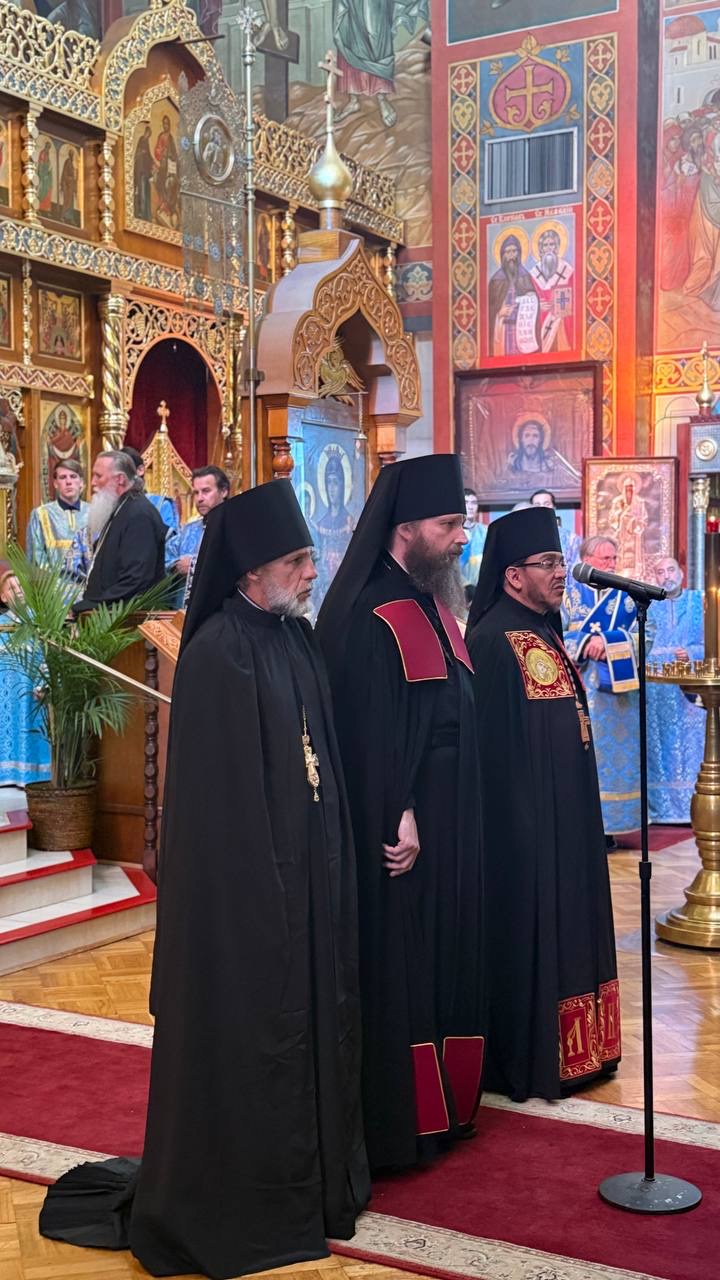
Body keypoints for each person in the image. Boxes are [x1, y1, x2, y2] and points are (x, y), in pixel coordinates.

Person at [40, 480, 370, 1279]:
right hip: (250, 900)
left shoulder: (295, 641)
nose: (310, 573)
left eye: (308, 558)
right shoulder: (220, 653)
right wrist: (268, 894)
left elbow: (318, 765)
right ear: (251, 570)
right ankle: (249, 1198)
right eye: (295, 562)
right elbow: (219, 812)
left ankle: (317, 1185)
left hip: (311, 884)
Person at [316, 453, 485, 1172]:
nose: (461, 538)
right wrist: (402, 809)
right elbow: (367, 736)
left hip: (454, 820)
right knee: (406, 965)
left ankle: (448, 1104)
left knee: (448, 956)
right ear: (406, 527)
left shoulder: (432, 602)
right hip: (406, 832)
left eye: (462, 524)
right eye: (448, 525)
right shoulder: (370, 614)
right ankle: (404, 1121)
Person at [467, 506, 620, 1101]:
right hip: (528, 834)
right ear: (513, 576)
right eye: (548, 563)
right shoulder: (492, 640)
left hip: (570, 821)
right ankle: (538, 1056)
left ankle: (586, 1050)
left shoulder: (545, 631)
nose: (561, 573)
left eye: (561, 561)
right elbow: (490, 756)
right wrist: (523, 832)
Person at [562, 535, 643, 841]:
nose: (611, 564)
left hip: (616, 699)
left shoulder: (628, 596)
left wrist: (608, 642)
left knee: (612, 762)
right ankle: (579, 829)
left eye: (614, 558)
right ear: (587, 561)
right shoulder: (567, 593)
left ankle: (610, 829)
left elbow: (647, 636)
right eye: (605, 559)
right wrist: (585, 643)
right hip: (578, 688)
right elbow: (551, 631)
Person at [71, 452, 166, 616]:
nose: (92, 482)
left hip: (126, 617)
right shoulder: (121, 508)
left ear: (120, 479)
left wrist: (92, 605)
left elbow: (135, 578)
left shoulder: (139, 514)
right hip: (107, 614)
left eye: (98, 476)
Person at [647, 556, 705, 824]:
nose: (666, 576)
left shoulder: (699, 601)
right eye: (660, 572)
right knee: (659, 745)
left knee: (691, 745)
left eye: (670, 570)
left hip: (689, 685)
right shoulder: (648, 604)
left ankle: (693, 806)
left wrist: (692, 653)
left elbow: (712, 641)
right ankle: (660, 809)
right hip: (655, 687)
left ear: (681, 572)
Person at [0, 564, 52, 787]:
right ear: (3, 597)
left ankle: (32, 776)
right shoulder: (1, 625)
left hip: (31, 691)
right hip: (5, 695)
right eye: (12, 588)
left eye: (21, 586)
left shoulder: (39, 621)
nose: (18, 591)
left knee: (30, 729)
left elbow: (46, 656)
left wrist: (45, 684)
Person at [166, 464, 230, 606]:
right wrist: (176, 566)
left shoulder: (237, 528)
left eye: (206, 491)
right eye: (196, 492)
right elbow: (166, 558)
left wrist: (195, 566)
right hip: (183, 611)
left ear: (223, 491)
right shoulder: (188, 530)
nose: (200, 498)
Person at [26, 459, 89, 571]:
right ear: (55, 483)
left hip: (90, 580)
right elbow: (36, 557)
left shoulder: (93, 512)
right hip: (53, 581)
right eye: (63, 477)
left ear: (81, 482)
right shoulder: (41, 514)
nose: (68, 482)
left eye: (73, 476)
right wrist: (55, 581)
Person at [488, 234, 541, 356]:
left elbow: (535, 307)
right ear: (502, 255)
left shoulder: (525, 277)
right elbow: (488, 310)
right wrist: (498, 314)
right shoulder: (496, 281)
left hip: (522, 332)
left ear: (519, 253)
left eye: (514, 251)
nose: (511, 255)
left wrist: (532, 298)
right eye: (508, 252)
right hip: (503, 329)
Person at [529, 226, 574, 352]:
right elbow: (527, 300)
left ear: (557, 247)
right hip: (540, 325)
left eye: (552, 244)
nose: (549, 248)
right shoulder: (533, 275)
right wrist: (537, 307)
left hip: (562, 325)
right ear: (541, 249)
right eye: (545, 245)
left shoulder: (568, 271)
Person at [120, 445, 179, 537]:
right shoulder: (110, 508)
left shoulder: (160, 505)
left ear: (140, 470)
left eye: (124, 471)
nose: (120, 479)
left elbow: (169, 542)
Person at [530, 487, 581, 578]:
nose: (542, 507)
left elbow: (576, 571)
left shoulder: (571, 539)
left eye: (546, 504)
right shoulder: (525, 538)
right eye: (537, 504)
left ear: (554, 508)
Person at [608, 472, 649, 578]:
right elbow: (612, 518)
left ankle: (636, 574)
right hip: (621, 533)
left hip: (635, 535)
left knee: (635, 556)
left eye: (631, 487)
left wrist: (636, 524)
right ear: (623, 488)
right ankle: (620, 572)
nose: (629, 490)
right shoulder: (617, 502)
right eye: (627, 487)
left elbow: (644, 519)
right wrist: (621, 516)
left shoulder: (640, 502)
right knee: (621, 553)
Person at [459, 486, 487, 604]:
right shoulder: (452, 533)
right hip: (458, 591)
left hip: (482, 591)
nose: (470, 507)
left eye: (474, 503)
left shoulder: (486, 531)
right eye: (466, 502)